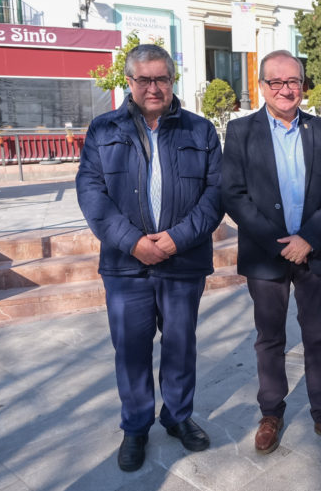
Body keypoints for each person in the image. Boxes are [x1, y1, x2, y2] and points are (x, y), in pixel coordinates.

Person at [76, 44, 222, 472]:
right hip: (126, 266)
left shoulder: (200, 130)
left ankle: (177, 417)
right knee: (131, 350)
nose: (154, 87)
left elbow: (215, 195)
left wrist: (177, 239)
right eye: (145, 79)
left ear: (172, 81)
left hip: (183, 262)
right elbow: (92, 196)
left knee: (180, 346)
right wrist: (134, 242)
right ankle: (136, 426)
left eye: (162, 79)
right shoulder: (103, 131)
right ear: (130, 81)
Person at [221, 50, 321, 456]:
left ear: (303, 85)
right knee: (269, 338)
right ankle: (271, 413)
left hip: (314, 253)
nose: (285, 89)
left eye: (292, 81)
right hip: (266, 255)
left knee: (319, 339)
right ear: (261, 86)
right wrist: (279, 240)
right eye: (275, 82)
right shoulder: (241, 131)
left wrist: (309, 238)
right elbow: (234, 195)